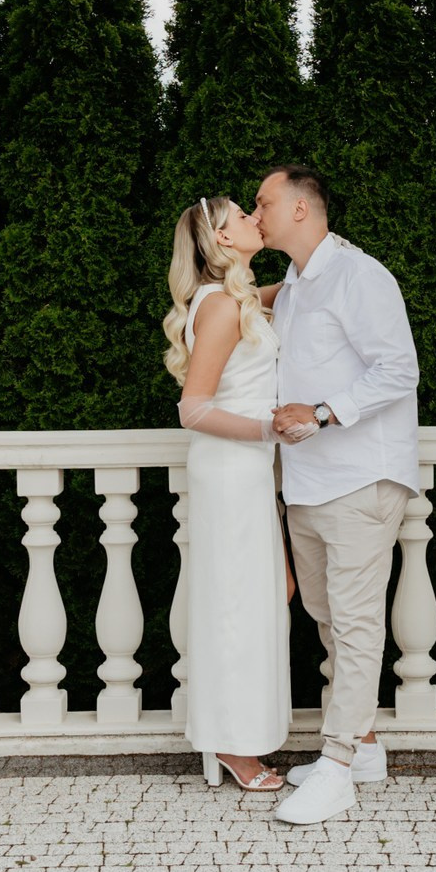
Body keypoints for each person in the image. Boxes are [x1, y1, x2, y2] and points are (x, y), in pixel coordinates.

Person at [253, 164, 420, 826]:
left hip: (359, 476)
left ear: (301, 207)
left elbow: (399, 369)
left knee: (353, 624)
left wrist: (322, 412)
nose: (256, 214)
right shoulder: (295, 286)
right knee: (325, 616)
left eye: (263, 203)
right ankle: (366, 746)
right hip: (307, 482)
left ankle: (339, 765)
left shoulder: (360, 275)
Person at [164, 194, 292, 791]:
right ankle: (231, 745)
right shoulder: (218, 306)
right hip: (230, 467)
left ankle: (240, 733)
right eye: (242, 215)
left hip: (247, 469)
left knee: (266, 593)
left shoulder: (234, 297)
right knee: (237, 604)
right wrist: (270, 429)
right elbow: (192, 409)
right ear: (220, 238)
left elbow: (283, 293)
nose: (253, 219)